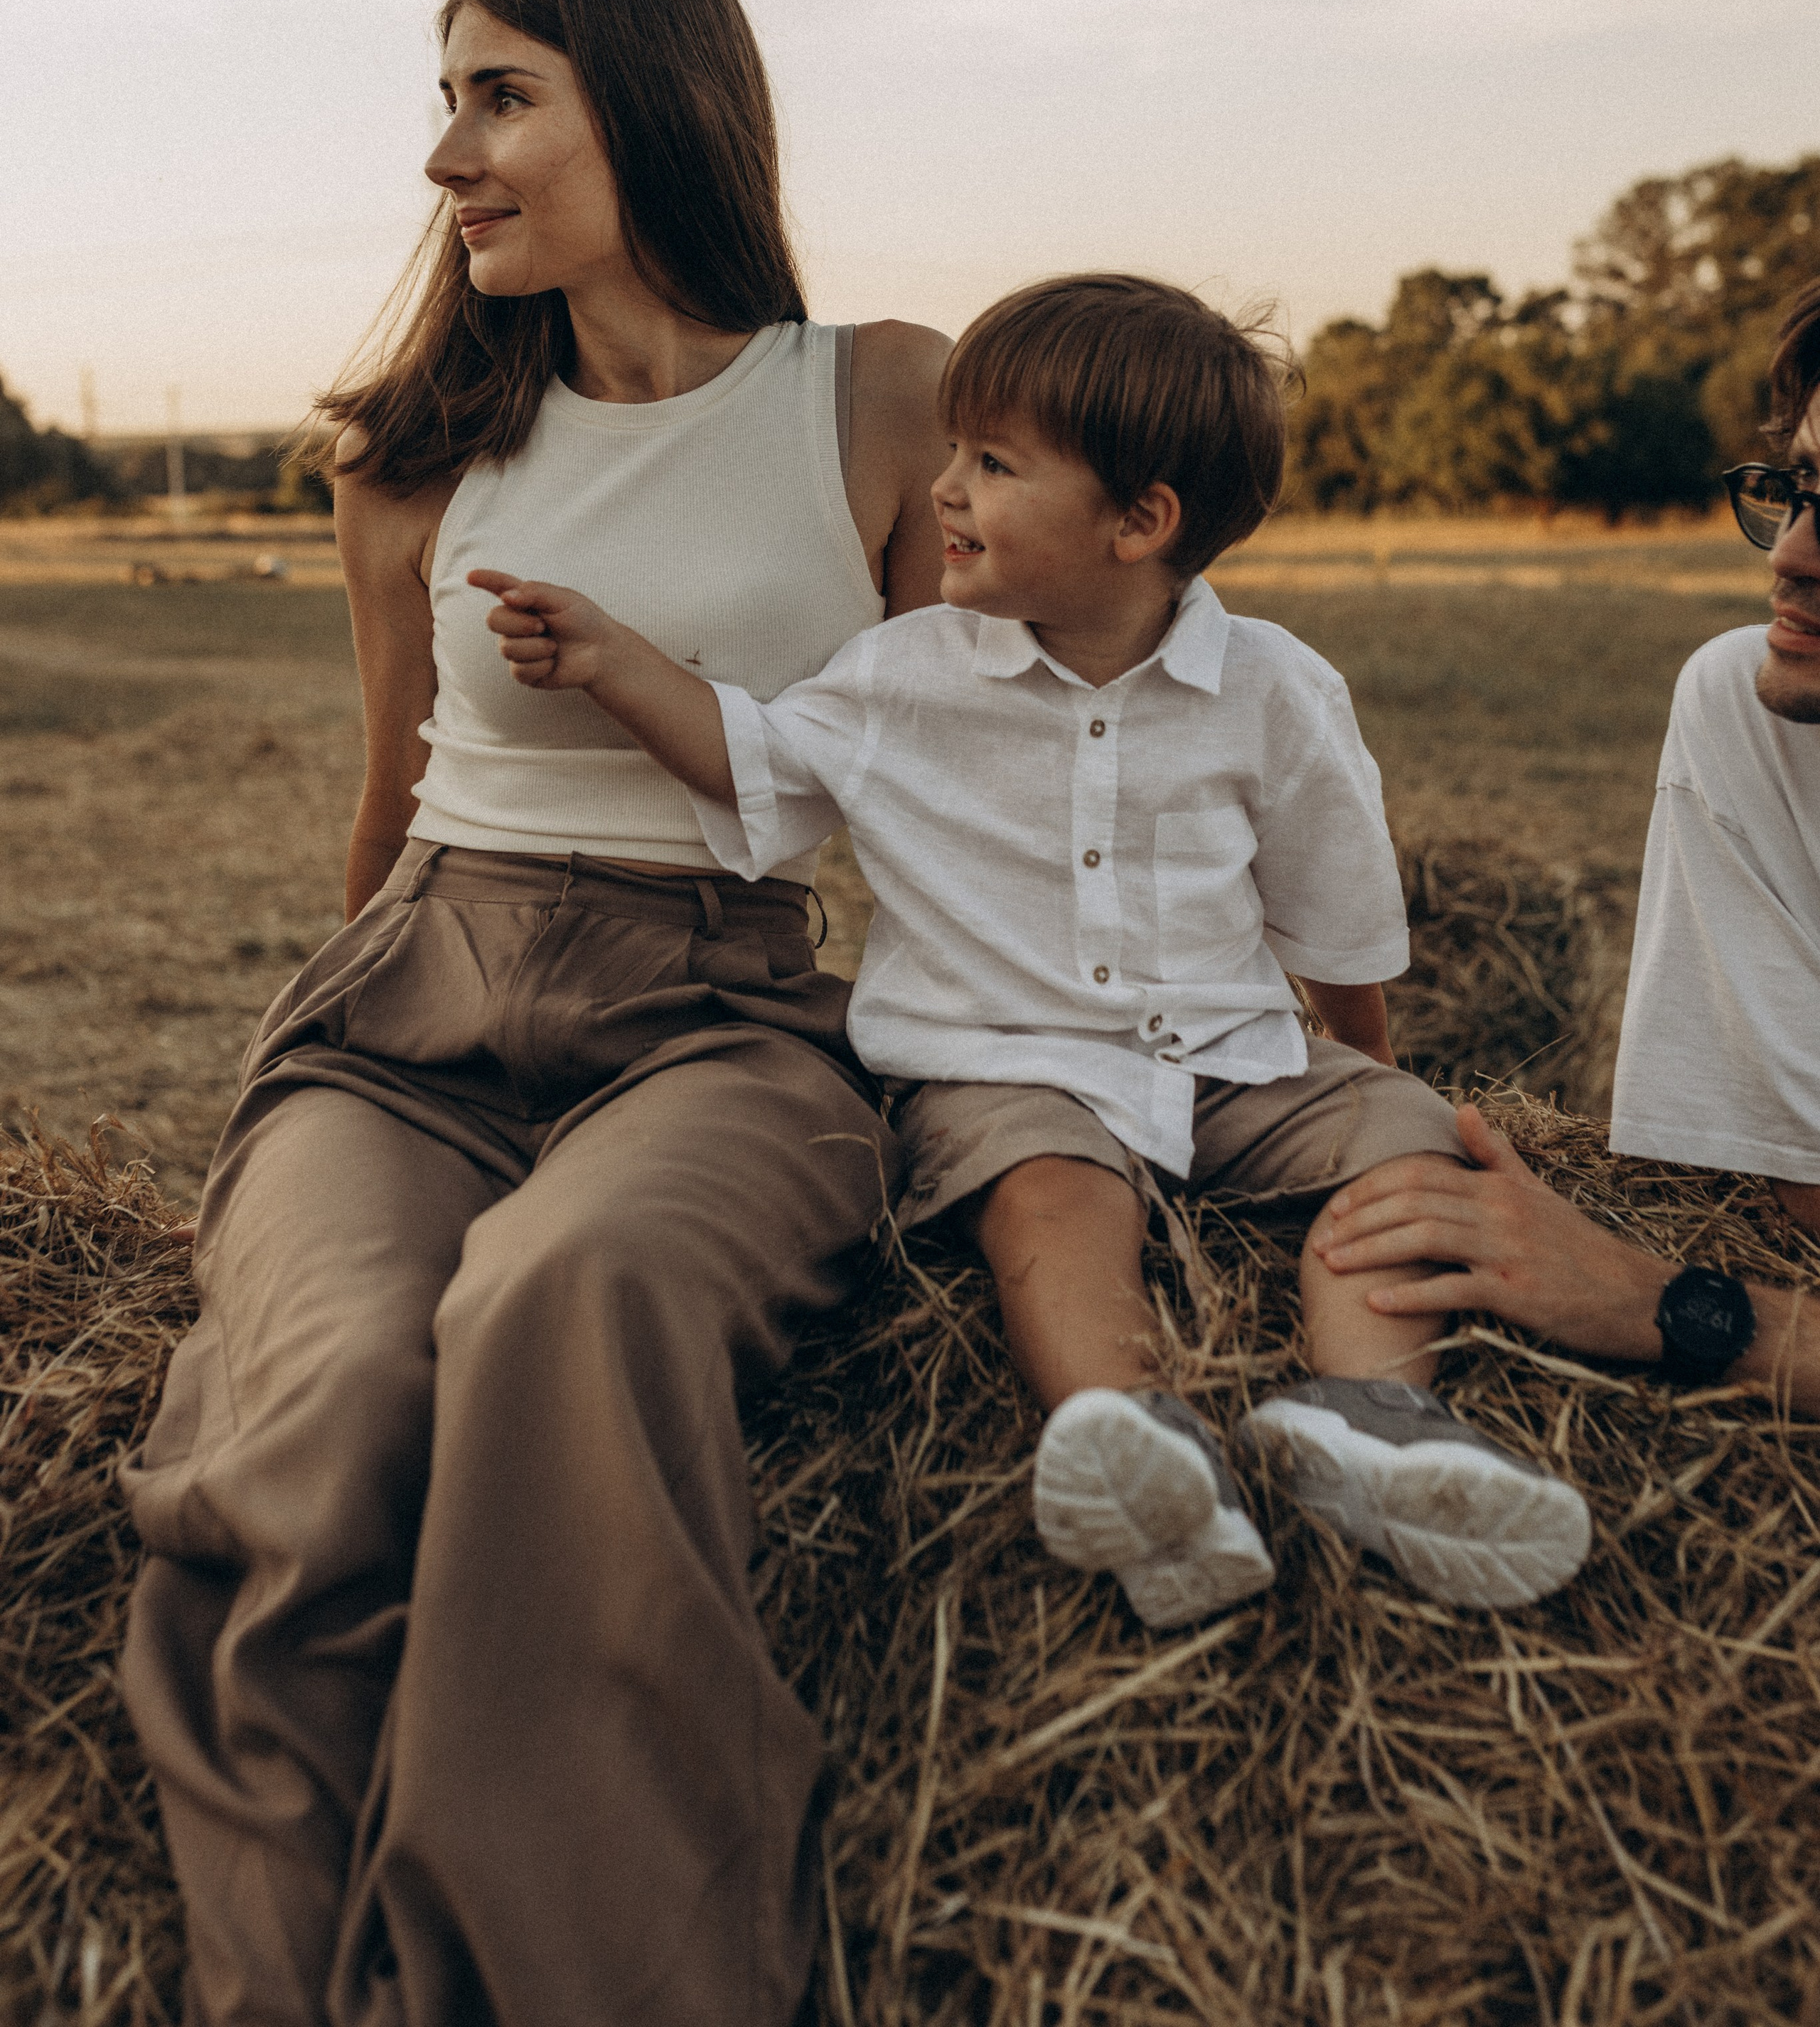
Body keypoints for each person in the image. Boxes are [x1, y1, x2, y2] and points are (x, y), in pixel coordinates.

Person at [117, 0, 953, 2027]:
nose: (445, 157)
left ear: (655, 108)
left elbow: (982, 773)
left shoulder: (883, 399)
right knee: (346, 1387)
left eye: (500, 96)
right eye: (446, 98)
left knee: (560, 1303)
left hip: (724, 1018)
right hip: (411, 1013)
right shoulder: (413, 454)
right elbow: (387, 797)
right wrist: (305, 1089)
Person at [470, 272, 1594, 1628]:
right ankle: (1139, 1439)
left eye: (993, 463)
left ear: (1141, 522)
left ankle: (1371, 1420)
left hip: (1230, 1063)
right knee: (1050, 1199)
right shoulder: (904, 677)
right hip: (1007, 1071)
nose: (943, 488)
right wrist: (613, 658)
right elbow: (755, 757)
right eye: (953, 451)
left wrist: (1365, 1079)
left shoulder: (1277, 690)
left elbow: (1335, 913)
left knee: (1410, 1149)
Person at [1309, 275, 1820, 1413]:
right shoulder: (1755, 710)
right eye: (1802, 489)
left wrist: (1666, 1304)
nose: (1788, 556)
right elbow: (1799, 1195)